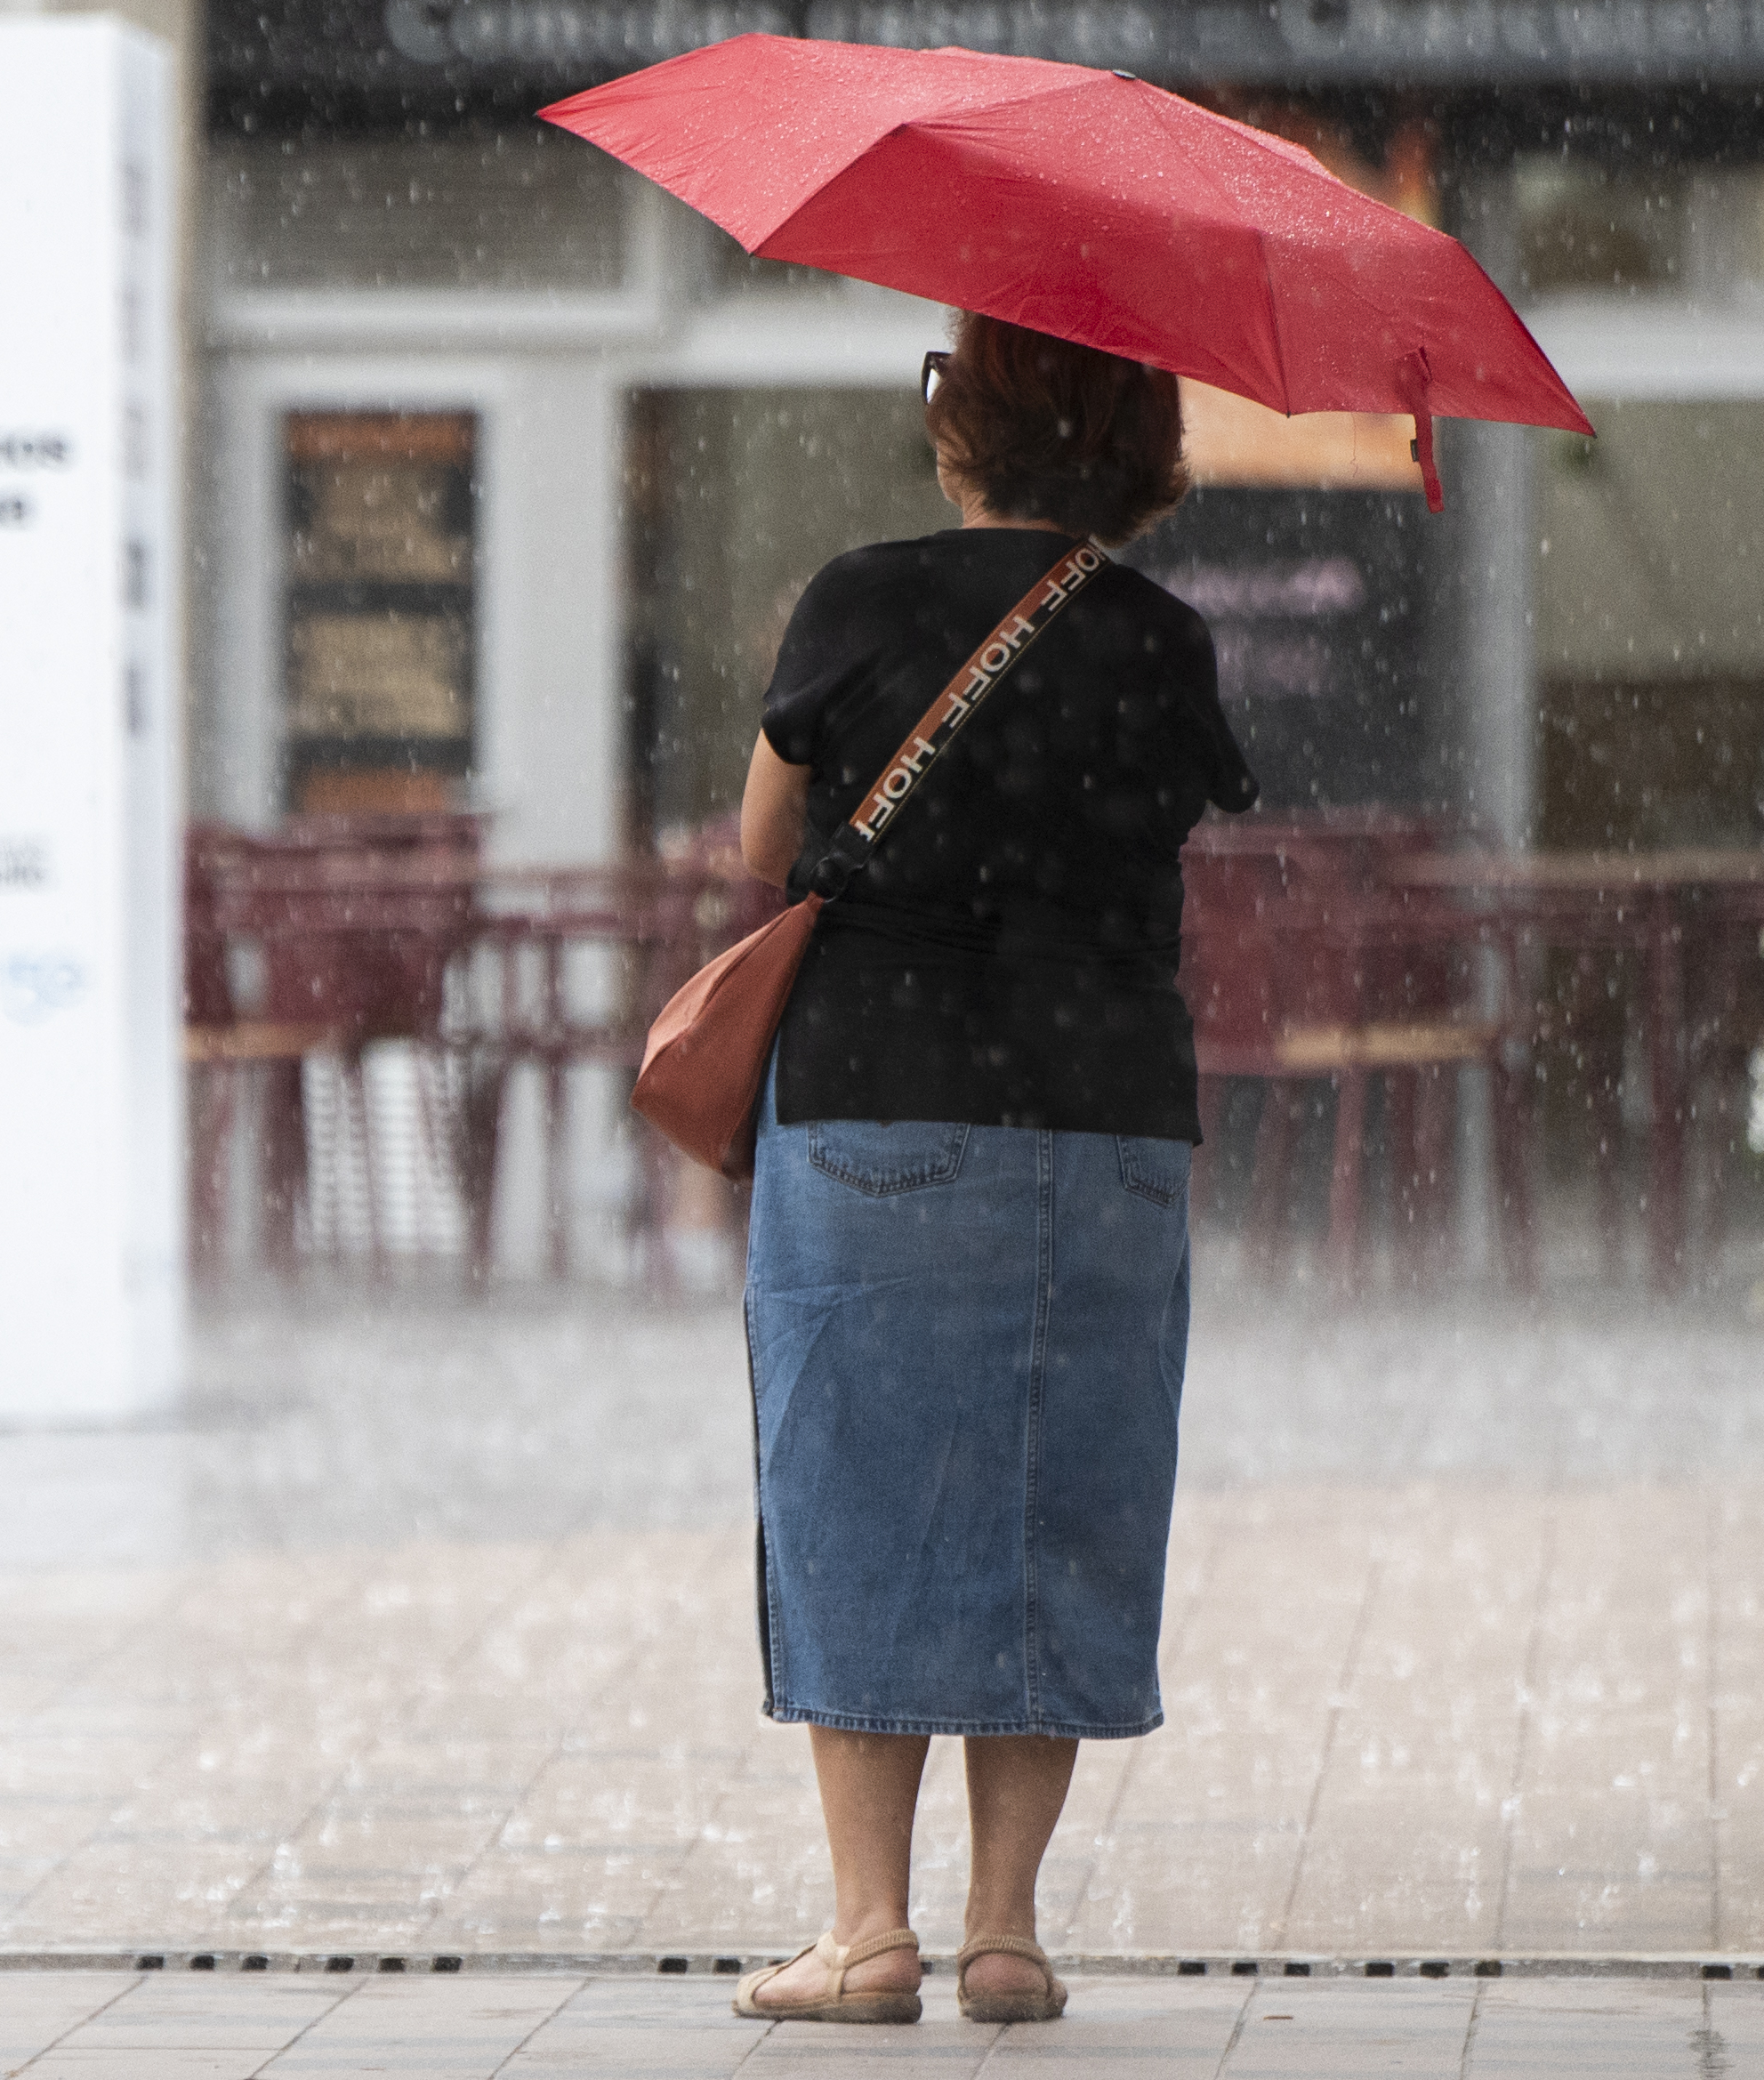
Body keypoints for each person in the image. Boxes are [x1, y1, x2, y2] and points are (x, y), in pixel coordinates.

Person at [729, 312, 1258, 2027]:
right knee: (1058, 1497)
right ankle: (1006, 1927)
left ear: (960, 419)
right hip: (1107, 1121)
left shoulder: (859, 597)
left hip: (880, 1100)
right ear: (1145, 449)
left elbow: (763, 844)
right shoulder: (1162, 637)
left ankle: (864, 1929)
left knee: (857, 1490)